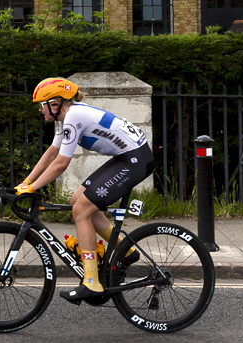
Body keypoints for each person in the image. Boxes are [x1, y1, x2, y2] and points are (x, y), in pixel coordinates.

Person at [16, 77, 154, 303]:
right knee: (77, 199)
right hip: (127, 157)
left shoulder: (74, 117)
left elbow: (61, 164)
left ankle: (91, 282)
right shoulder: (67, 117)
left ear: (55, 103)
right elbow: (52, 152)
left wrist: (31, 187)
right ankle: (125, 250)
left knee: (81, 210)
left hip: (135, 160)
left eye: (42, 104)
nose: (40, 110)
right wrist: (25, 183)